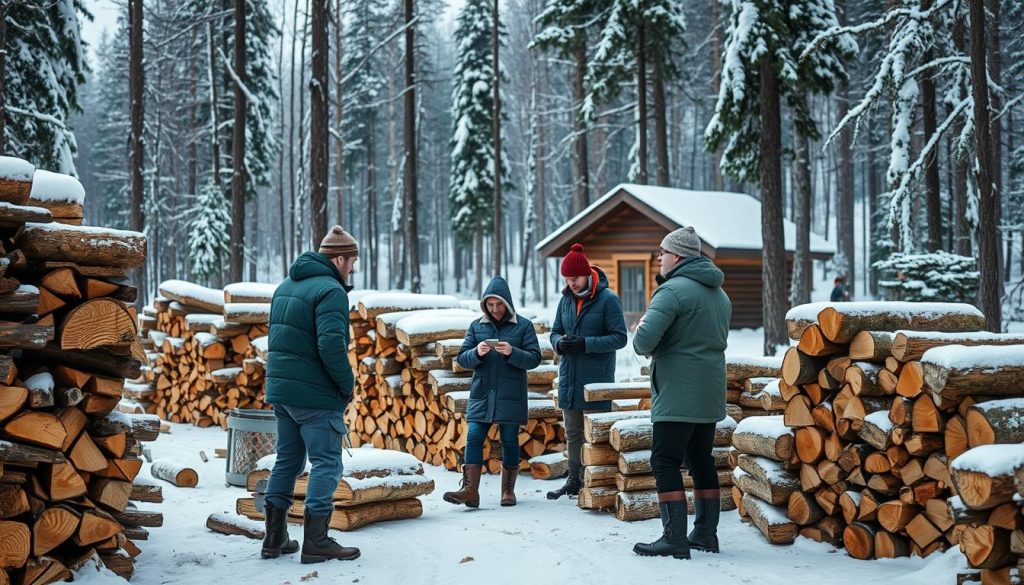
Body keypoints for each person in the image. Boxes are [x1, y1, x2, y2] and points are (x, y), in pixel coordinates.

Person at [261, 225, 361, 564]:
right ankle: (316, 541)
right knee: (327, 463)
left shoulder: (285, 286)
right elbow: (331, 345)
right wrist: (346, 385)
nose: (352, 269)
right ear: (339, 258)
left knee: (287, 461)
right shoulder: (332, 291)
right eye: (351, 262)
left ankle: (273, 539)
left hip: (283, 392)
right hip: (315, 396)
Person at [632, 226, 731, 559]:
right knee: (701, 460)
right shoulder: (720, 294)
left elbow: (644, 344)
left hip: (677, 391)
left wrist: (643, 325)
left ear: (678, 256)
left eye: (662, 252)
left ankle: (674, 538)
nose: (659, 257)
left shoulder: (672, 292)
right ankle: (705, 533)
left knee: (664, 461)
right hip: (709, 390)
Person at [443, 276, 542, 508]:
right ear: (485, 305)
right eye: (490, 305)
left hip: (511, 395)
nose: (495, 309)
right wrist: (477, 351)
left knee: (509, 440)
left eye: (499, 304)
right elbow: (462, 359)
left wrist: (512, 352)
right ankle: (470, 491)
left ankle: (508, 491)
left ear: (507, 303)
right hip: (482, 395)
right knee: (474, 437)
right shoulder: (477, 326)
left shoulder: (524, 326)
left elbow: (535, 359)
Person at [547, 243, 627, 500]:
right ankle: (573, 480)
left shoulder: (608, 300)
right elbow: (555, 330)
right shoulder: (566, 300)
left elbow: (619, 338)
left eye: (574, 278)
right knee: (572, 433)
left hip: (596, 380)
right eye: (567, 279)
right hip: (569, 376)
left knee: (596, 434)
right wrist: (559, 343)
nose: (570, 283)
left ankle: (597, 479)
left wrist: (586, 344)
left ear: (587, 274)